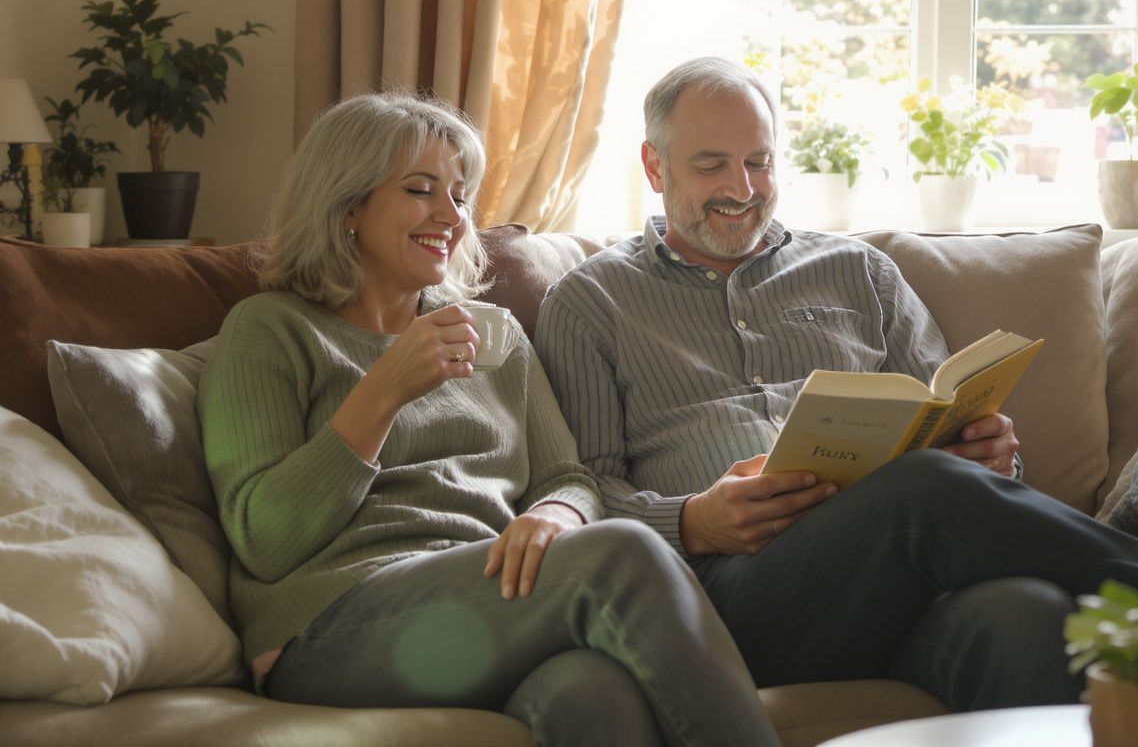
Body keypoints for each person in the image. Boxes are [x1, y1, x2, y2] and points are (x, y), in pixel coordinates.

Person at [534, 56, 1138, 712]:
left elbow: (945, 412)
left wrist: (993, 456)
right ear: (655, 167)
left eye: (759, 162)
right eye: (711, 166)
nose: (743, 186)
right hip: (724, 598)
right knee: (921, 486)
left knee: (1027, 613)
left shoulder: (860, 272)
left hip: (897, 591)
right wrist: (693, 522)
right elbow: (578, 488)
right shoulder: (589, 303)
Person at [197, 92, 782, 747]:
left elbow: (567, 478)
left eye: (460, 196)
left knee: (590, 689)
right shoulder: (269, 329)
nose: (452, 217)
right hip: (333, 627)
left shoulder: (495, 334)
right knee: (621, 553)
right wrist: (384, 389)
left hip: (485, 602)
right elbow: (264, 540)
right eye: (421, 190)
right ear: (348, 204)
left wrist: (556, 514)